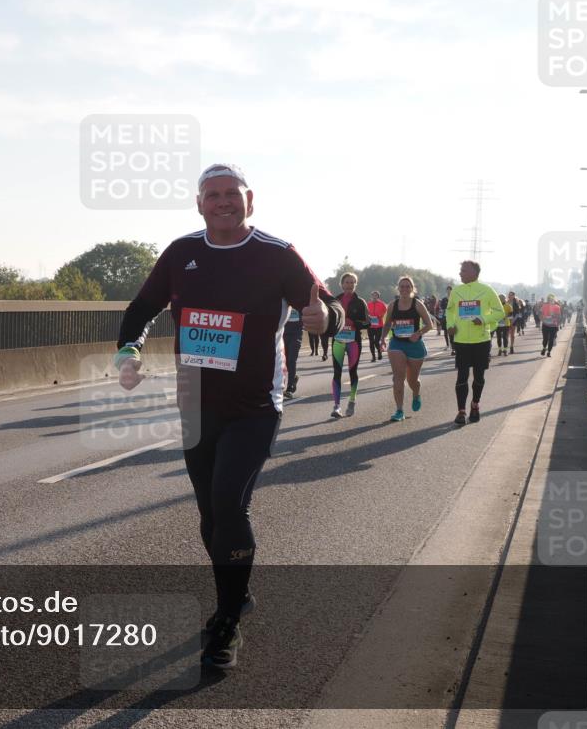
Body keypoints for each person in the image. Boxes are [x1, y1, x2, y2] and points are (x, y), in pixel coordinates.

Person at [115, 163, 342, 670]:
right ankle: (235, 596)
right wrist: (126, 350)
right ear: (199, 204)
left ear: (250, 199)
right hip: (196, 402)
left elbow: (325, 304)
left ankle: (226, 622)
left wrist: (327, 317)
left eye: (231, 194)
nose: (222, 202)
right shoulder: (181, 253)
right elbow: (140, 308)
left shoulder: (276, 254)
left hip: (256, 405)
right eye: (212, 195)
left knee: (228, 504)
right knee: (210, 516)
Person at [446, 260, 505, 424]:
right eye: (460, 270)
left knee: (479, 377)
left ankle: (475, 404)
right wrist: (450, 325)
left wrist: (484, 319)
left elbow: (500, 312)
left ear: (474, 272)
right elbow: (450, 311)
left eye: (463, 270)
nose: (460, 273)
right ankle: (461, 411)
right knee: (462, 376)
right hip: (461, 341)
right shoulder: (456, 291)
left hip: (481, 341)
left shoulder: (487, 290)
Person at [381, 276, 433, 421]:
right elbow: (387, 324)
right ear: (398, 288)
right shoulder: (392, 305)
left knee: (412, 381)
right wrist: (382, 338)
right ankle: (399, 410)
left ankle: (416, 394)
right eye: (402, 286)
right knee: (398, 377)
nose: (404, 289)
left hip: (414, 345)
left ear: (412, 288)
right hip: (397, 343)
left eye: (407, 286)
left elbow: (429, 325)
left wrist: (418, 333)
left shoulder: (417, 304)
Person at [329, 273, 370, 418]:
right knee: (337, 373)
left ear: (355, 284)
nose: (350, 285)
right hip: (338, 341)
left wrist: (354, 323)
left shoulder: (360, 302)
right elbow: (329, 320)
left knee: (353, 372)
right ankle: (337, 406)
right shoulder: (335, 300)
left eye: (353, 282)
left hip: (353, 342)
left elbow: (368, 322)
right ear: (342, 284)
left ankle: (352, 401)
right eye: (347, 282)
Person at [283, 306, 303, 399]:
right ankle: (293, 378)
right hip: (283, 334)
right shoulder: (284, 302)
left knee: (292, 360)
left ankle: (289, 388)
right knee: (285, 362)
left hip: (296, 334)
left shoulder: (300, 301)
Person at [366, 291, 388, 362]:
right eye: (373, 296)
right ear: (371, 296)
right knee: (371, 341)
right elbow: (365, 312)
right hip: (370, 326)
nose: (374, 297)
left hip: (379, 325)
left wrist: (379, 316)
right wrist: (368, 317)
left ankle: (379, 352)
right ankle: (373, 356)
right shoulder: (368, 304)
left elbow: (385, 310)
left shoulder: (382, 304)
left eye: (376, 296)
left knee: (376, 341)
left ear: (378, 297)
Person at [438, 285, 452, 351]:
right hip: (445, 317)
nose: (448, 291)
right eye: (447, 290)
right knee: (445, 331)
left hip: (453, 317)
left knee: (452, 332)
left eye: (449, 290)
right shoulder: (444, 299)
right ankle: (447, 345)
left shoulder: (454, 298)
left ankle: (453, 346)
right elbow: (442, 307)